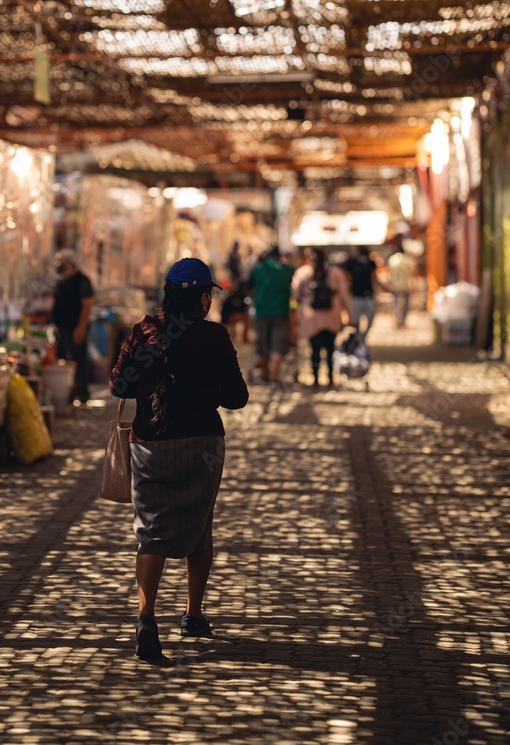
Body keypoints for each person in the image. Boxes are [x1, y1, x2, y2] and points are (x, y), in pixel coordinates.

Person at [109, 257, 248, 661]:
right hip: (202, 446)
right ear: (204, 298)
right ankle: (192, 615)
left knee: (151, 531)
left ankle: (146, 617)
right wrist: (205, 389)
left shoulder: (142, 332)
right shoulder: (216, 337)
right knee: (200, 525)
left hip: (149, 444)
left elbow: (120, 384)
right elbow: (237, 398)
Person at [291, 247, 352, 388]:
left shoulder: (303, 272)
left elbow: (294, 295)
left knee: (315, 350)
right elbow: (344, 295)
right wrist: (349, 316)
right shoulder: (336, 272)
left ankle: (316, 379)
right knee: (330, 350)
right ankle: (330, 379)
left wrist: (294, 313)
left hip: (311, 318)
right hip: (332, 317)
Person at [50, 250, 94, 405]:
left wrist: (80, 328)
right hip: (62, 327)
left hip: (75, 328)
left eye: (63, 265)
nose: (60, 268)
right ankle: (67, 394)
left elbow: (87, 305)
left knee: (78, 360)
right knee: (63, 360)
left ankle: (82, 394)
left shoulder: (82, 281)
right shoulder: (62, 281)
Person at [247, 245, 294, 385]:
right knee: (278, 344)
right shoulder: (288, 270)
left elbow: (249, 288)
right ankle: (274, 377)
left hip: (261, 311)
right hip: (281, 311)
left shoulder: (258, 269)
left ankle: (264, 374)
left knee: (263, 344)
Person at [344, 246, 379, 339]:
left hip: (368, 295)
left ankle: (362, 337)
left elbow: (374, 277)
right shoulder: (353, 263)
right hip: (356, 295)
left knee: (370, 318)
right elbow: (347, 277)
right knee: (356, 320)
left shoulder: (370, 263)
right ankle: (358, 338)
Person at [388, 240, 416, 328]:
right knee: (406, 303)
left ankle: (397, 318)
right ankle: (403, 320)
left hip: (395, 284)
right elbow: (413, 272)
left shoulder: (393, 259)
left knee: (396, 302)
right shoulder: (408, 260)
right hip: (406, 284)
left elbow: (390, 273)